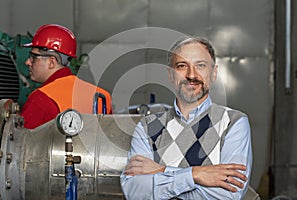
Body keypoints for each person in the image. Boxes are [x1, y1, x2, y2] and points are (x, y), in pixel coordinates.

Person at [120, 36, 255, 199]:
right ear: (170, 75)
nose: (192, 75)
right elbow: (134, 192)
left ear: (213, 74)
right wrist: (196, 174)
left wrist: (162, 171)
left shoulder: (233, 123)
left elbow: (230, 194)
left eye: (200, 65)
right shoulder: (147, 126)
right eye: (182, 66)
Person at [21, 24, 112, 129]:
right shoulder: (103, 97)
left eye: (34, 57)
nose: (27, 62)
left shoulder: (40, 99)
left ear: (51, 62)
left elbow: (23, 143)